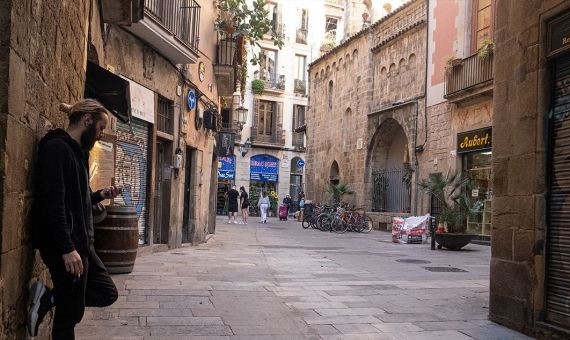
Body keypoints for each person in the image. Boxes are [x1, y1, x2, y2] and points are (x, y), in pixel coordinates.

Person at [27, 99, 121, 339]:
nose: (100, 135)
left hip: (82, 243)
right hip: (67, 246)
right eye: (100, 128)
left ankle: (49, 297)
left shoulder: (77, 153)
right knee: (69, 316)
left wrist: (100, 195)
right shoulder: (57, 149)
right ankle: (50, 299)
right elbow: (52, 203)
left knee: (106, 292)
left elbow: (76, 201)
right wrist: (66, 248)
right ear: (87, 121)